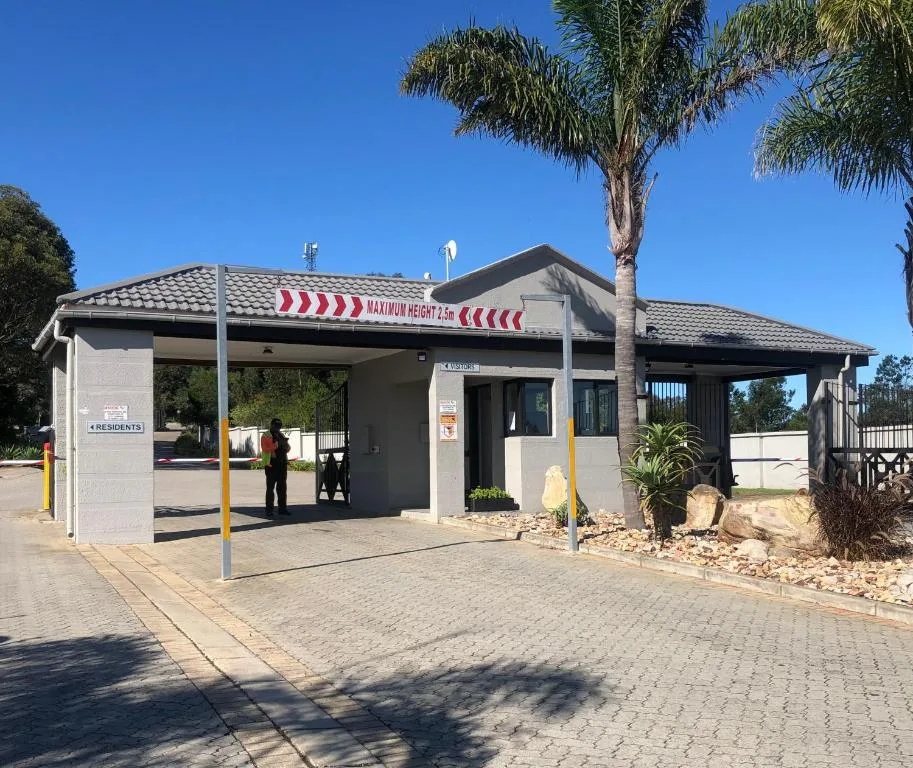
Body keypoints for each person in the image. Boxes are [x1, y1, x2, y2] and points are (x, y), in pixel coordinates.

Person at [260, 418, 290, 517]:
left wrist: (286, 445)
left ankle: (282, 508)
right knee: (270, 489)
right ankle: (269, 510)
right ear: (271, 425)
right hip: (271, 464)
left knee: (282, 488)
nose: (278, 428)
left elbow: (288, 448)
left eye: (279, 426)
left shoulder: (281, 435)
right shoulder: (266, 435)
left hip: (282, 464)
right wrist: (276, 445)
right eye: (276, 426)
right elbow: (265, 449)